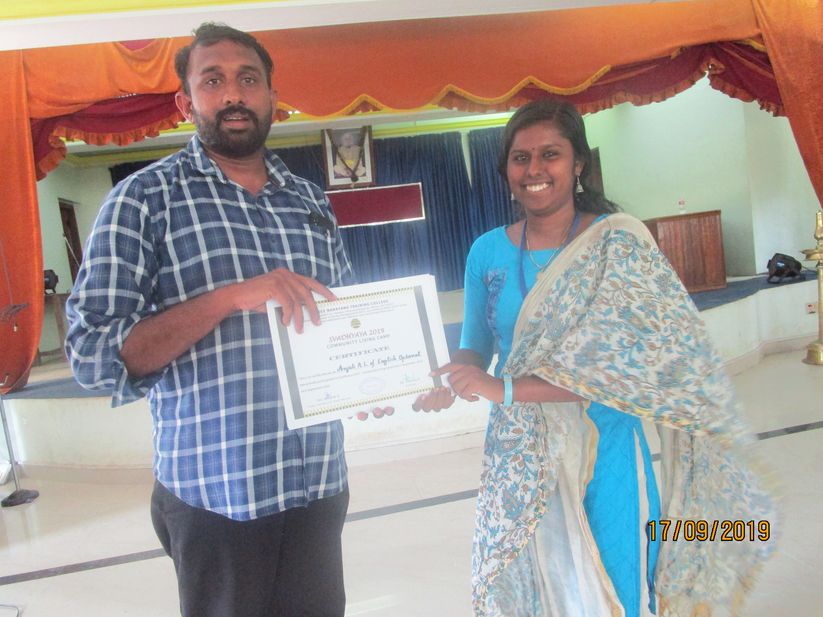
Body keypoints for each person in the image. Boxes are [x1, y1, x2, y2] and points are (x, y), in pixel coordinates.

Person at [414, 99, 777, 616]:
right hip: (521, 452)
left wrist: (502, 388)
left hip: (607, 444)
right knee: (541, 585)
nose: (534, 170)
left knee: (616, 579)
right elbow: (476, 344)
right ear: (506, 169)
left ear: (578, 163)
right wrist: (451, 377)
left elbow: (625, 364)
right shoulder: (486, 252)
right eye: (520, 158)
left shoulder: (618, 244)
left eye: (550, 154)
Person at [66, 23, 356, 617]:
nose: (233, 95)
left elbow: (342, 317)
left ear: (272, 96)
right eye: (213, 81)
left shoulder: (310, 201)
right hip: (217, 497)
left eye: (248, 80)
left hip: (317, 483)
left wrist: (366, 381)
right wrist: (229, 298)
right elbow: (92, 356)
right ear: (185, 102)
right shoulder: (144, 200)